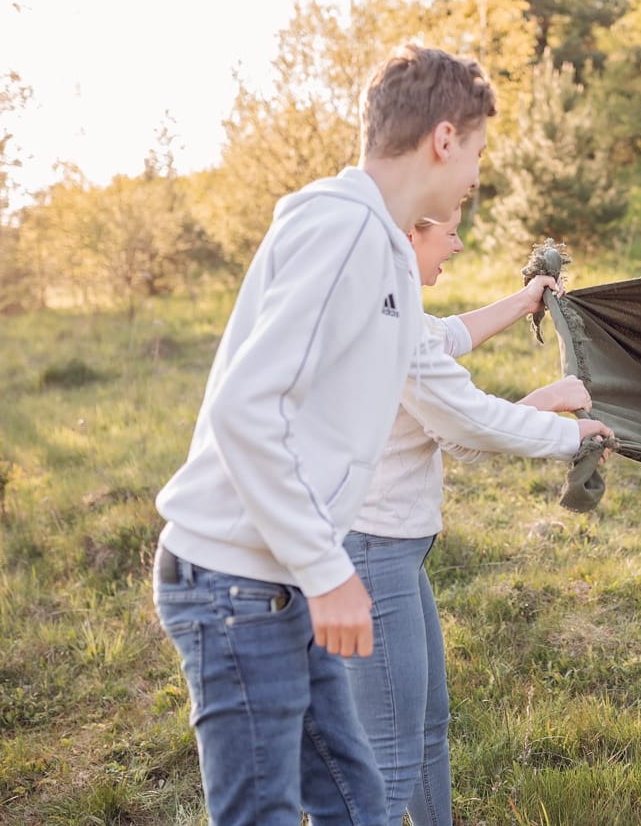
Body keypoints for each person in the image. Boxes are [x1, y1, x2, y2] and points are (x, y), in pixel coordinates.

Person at [151, 45, 497, 826]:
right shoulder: (343, 229)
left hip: (284, 576)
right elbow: (245, 408)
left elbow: (430, 359)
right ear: (444, 139)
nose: (476, 175)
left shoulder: (385, 246)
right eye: (477, 151)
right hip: (235, 582)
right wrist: (329, 571)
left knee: (355, 800)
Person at [342, 206, 610, 826]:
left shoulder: (393, 306)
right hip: (370, 554)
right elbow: (467, 431)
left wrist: (524, 301)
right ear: (411, 233)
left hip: (397, 551)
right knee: (390, 752)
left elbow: (447, 338)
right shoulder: (385, 319)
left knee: (427, 725)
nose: (459, 245)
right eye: (451, 232)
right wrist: (563, 425)